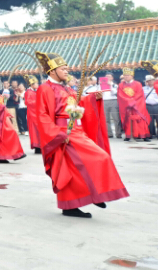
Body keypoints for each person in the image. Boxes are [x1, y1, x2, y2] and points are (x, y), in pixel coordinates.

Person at [34, 51, 128, 218]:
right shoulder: (45, 88)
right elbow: (41, 114)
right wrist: (57, 134)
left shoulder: (67, 87)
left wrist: (92, 98)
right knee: (87, 162)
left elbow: (77, 103)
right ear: (52, 70)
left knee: (86, 164)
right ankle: (79, 201)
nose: (67, 71)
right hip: (62, 133)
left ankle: (88, 196)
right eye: (63, 68)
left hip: (75, 131)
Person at [117, 68, 151, 142]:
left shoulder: (138, 84)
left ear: (132, 76)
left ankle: (144, 135)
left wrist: (132, 101)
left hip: (137, 105)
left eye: (128, 75)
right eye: (125, 75)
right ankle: (128, 135)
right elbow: (120, 95)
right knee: (128, 120)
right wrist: (128, 101)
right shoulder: (121, 85)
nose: (126, 77)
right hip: (127, 106)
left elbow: (139, 94)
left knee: (140, 119)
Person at [24, 76, 41, 154]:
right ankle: (37, 147)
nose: (38, 85)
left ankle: (40, 146)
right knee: (34, 130)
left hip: (37, 113)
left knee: (39, 130)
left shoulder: (35, 91)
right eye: (36, 83)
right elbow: (27, 102)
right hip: (32, 113)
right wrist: (38, 101)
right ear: (32, 84)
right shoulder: (28, 92)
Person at [140, 62, 158, 137]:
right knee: (149, 121)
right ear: (147, 82)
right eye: (149, 80)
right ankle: (151, 133)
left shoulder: (157, 87)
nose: (151, 81)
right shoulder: (143, 89)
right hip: (148, 106)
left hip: (156, 105)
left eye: (152, 80)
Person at [100, 73, 121, 138]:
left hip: (113, 100)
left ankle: (118, 133)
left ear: (112, 78)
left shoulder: (115, 85)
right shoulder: (101, 85)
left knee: (116, 118)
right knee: (106, 119)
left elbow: (115, 92)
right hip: (104, 101)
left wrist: (110, 86)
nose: (107, 78)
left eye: (109, 77)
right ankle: (109, 133)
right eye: (106, 77)